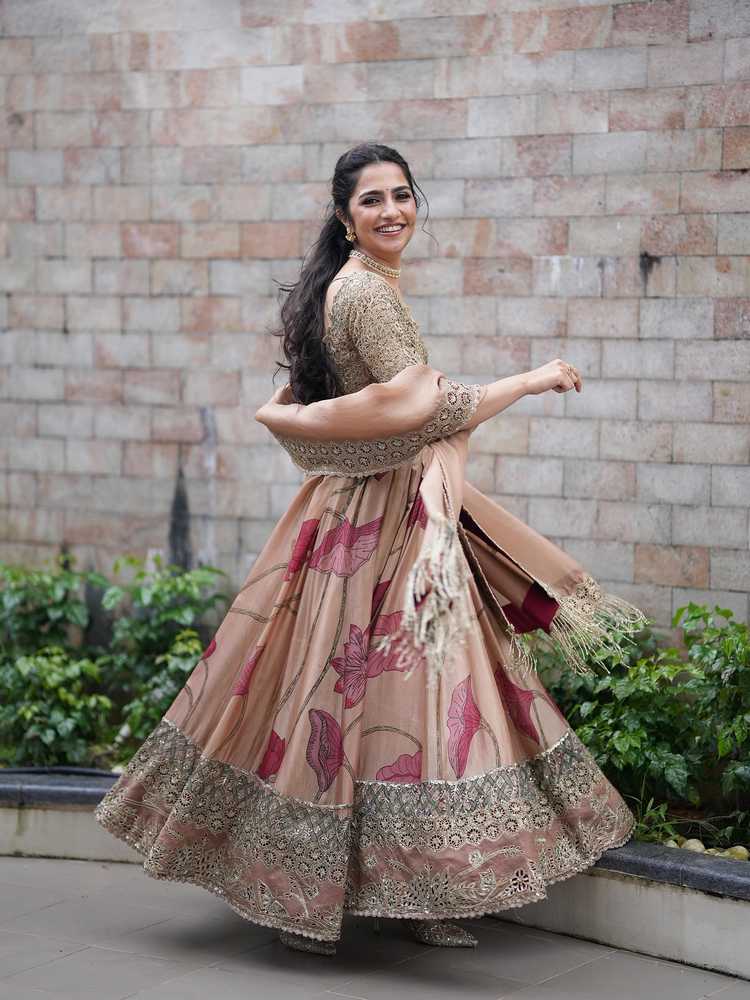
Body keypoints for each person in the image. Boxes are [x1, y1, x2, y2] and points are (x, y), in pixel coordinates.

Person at [95, 142, 647, 958]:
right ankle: (315, 896)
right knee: (373, 695)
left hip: (371, 510)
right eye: (372, 200)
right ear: (345, 217)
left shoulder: (357, 285)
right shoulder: (365, 294)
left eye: (402, 194)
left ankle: (414, 889)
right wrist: (529, 381)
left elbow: (405, 407)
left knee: (397, 699)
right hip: (380, 525)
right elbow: (429, 410)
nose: (393, 211)